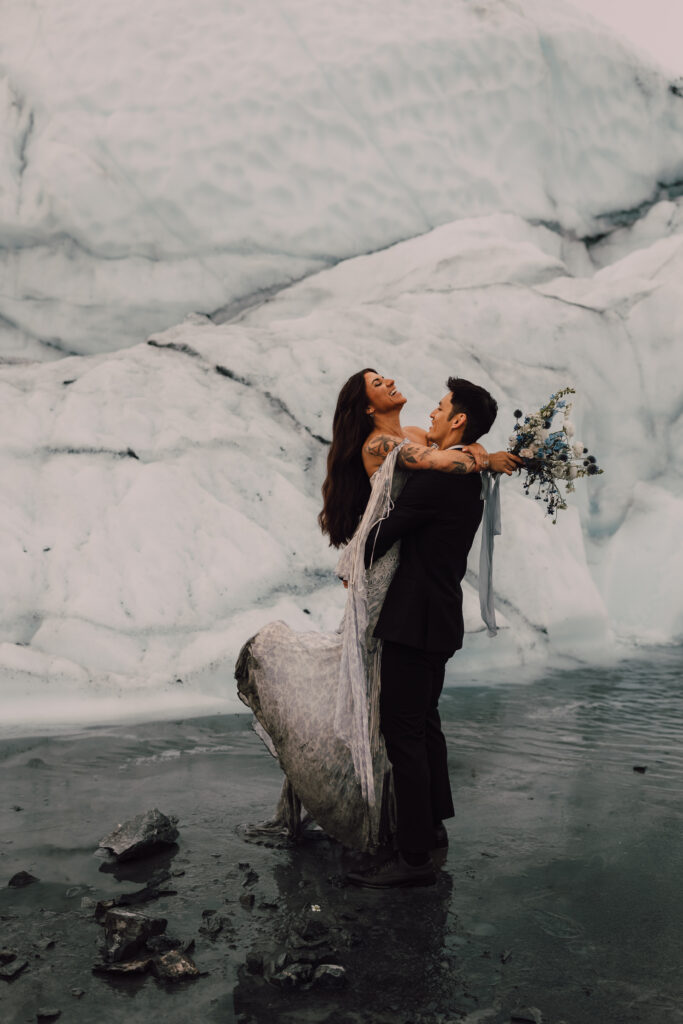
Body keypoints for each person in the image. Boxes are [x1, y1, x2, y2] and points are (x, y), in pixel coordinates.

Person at [235, 370, 518, 852]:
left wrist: (475, 452)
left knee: (403, 720)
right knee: (408, 715)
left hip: (410, 592)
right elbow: (435, 459)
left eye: (384, 376)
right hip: (398, 580)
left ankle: (413, 838)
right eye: (376, 383)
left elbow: (441, 451)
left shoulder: (412, 438)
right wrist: (482, 455)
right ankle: (421, 826)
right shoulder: (384, 446)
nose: (389, 380)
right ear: (366, 407)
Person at [346, 378, 503, 887]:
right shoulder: (468, 477)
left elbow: (381, 536)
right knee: (425, 724)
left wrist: (355, 553)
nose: (433, 414)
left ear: (458, 420)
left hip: (414, 620)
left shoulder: (440, 479)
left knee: (403, 732)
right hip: (439, 616)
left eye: (441, 408)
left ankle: (413, 858)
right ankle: (432, 828)